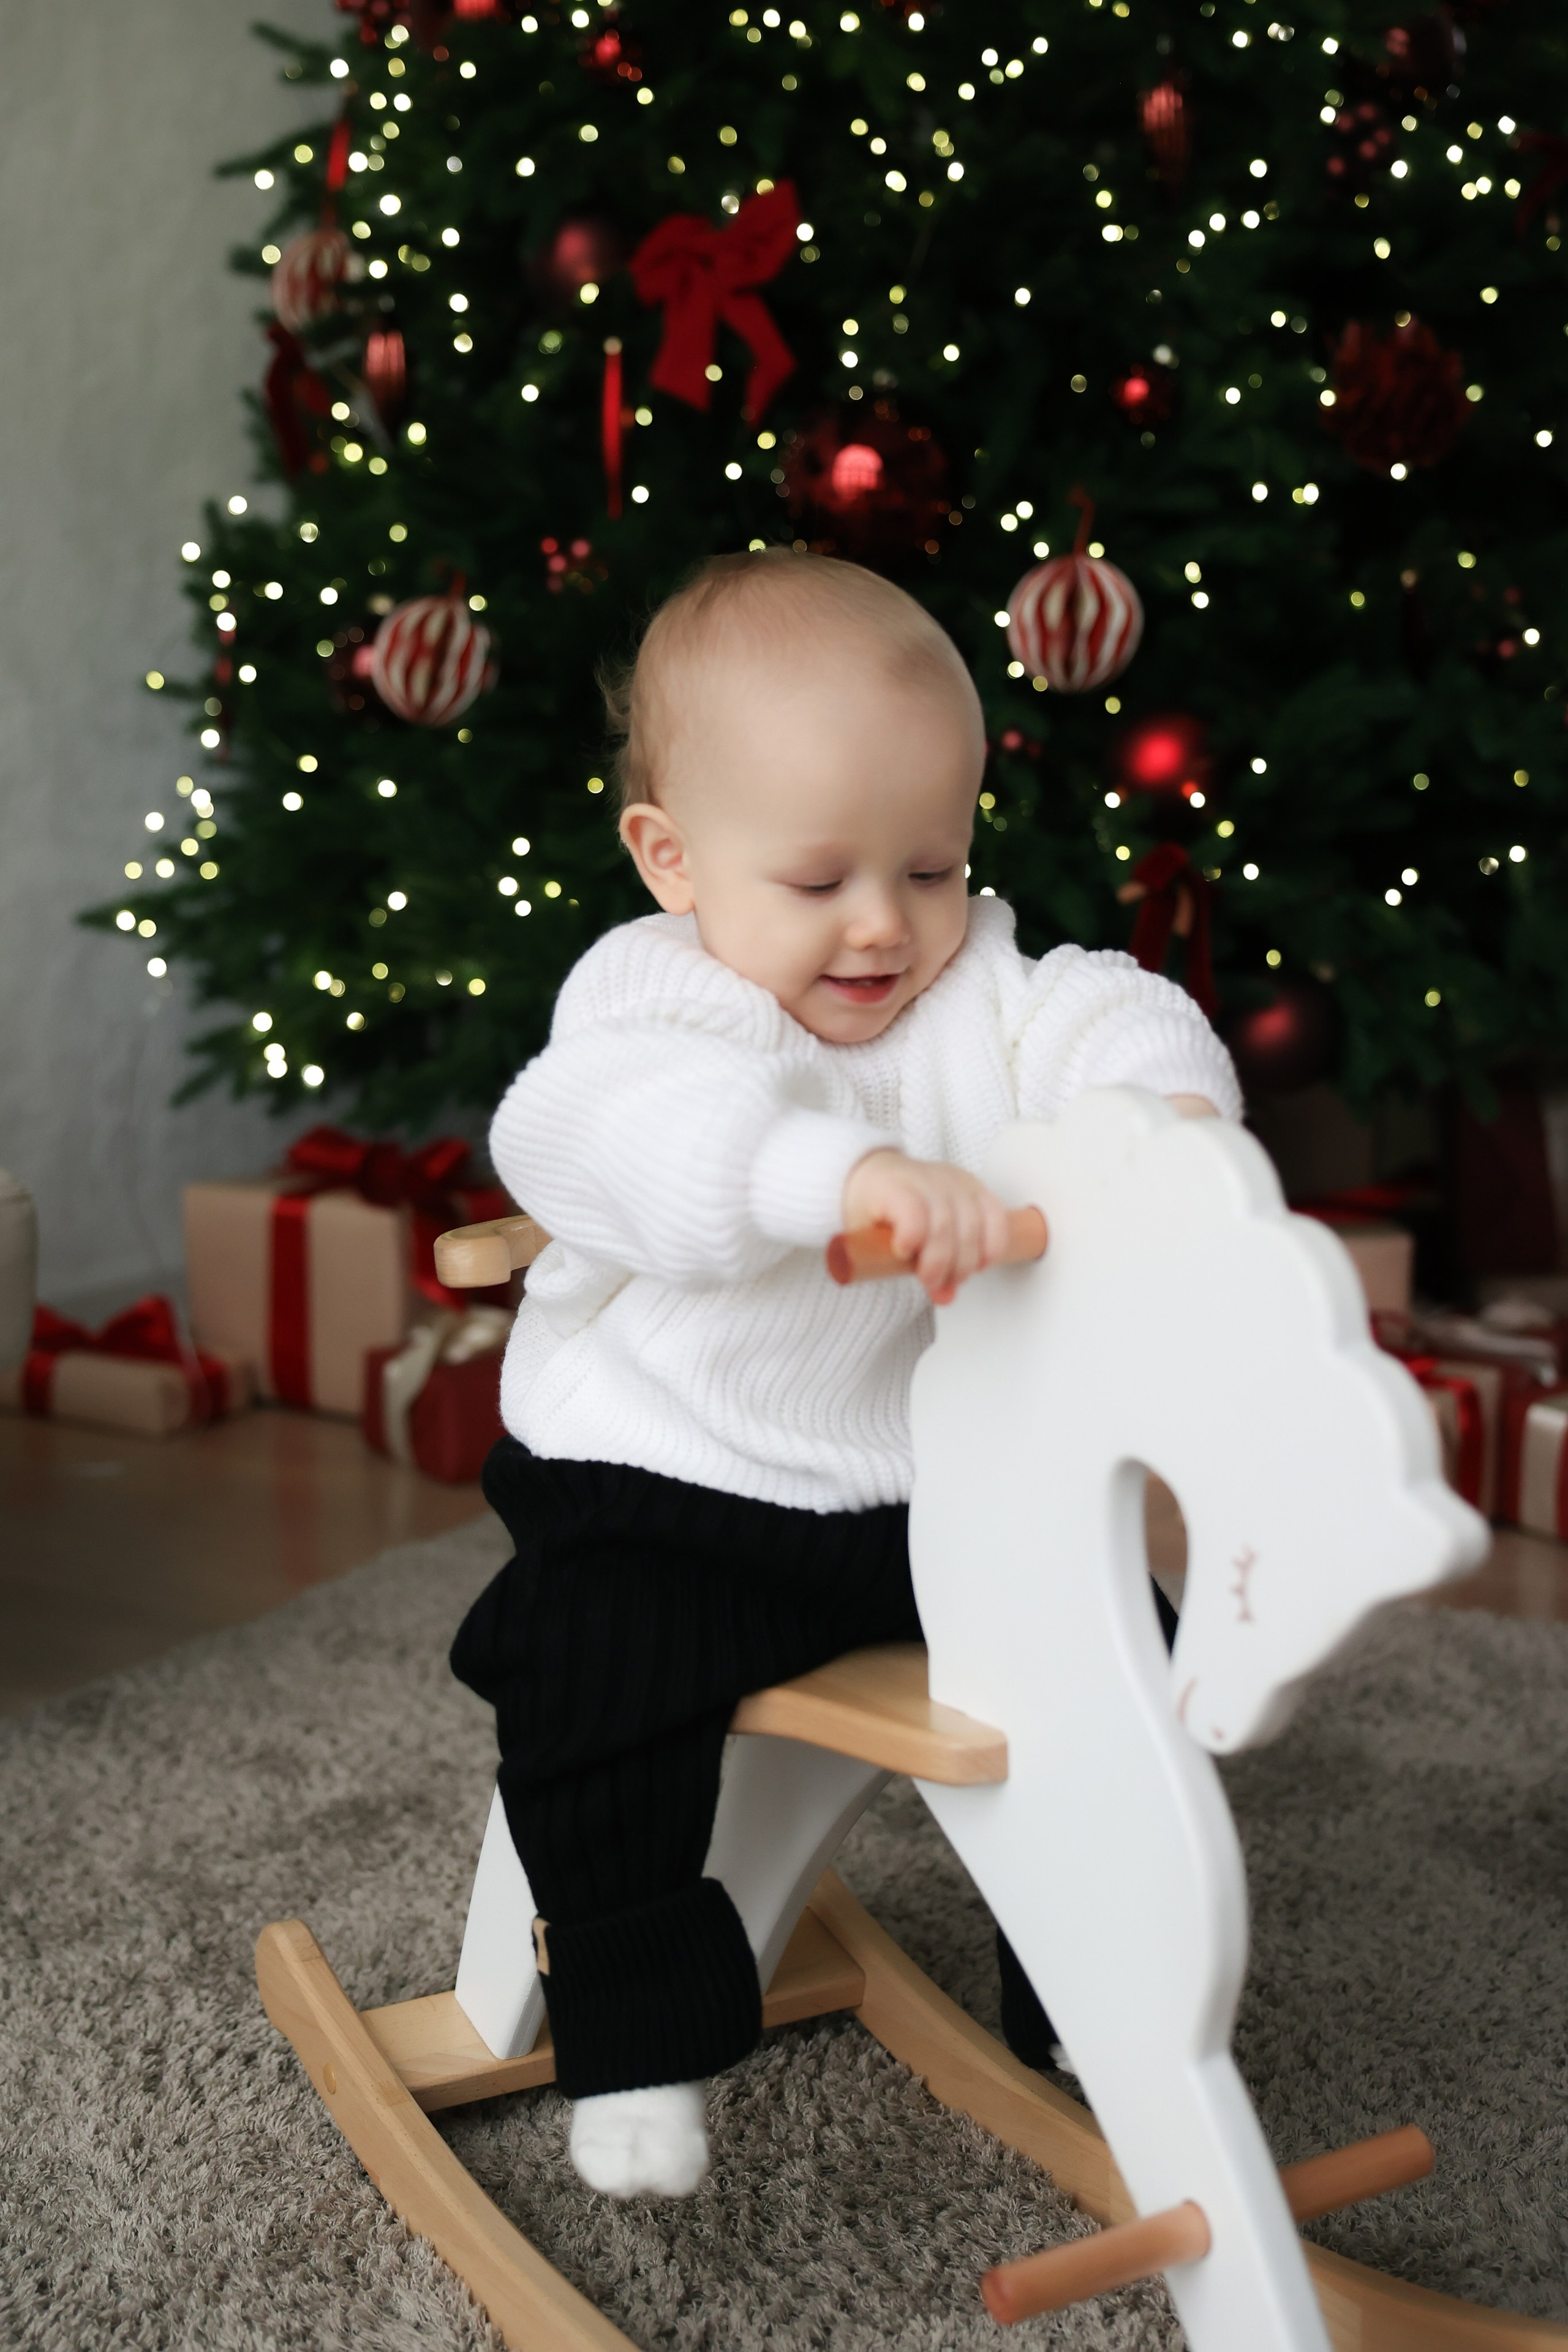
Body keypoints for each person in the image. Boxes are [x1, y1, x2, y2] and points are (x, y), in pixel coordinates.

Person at [450, 549, 1240, 2199]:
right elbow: (601, 1132)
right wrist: (839, 1183)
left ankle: (1101, 1992)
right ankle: (641, 2036)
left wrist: (1160, 1122)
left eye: (934, 864)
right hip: (664, 1475)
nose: (888, 923)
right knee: (593, 1678)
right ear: (673, 859)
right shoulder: (654, 1003)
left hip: (917, 1488)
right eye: (819, 880)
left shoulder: (980, 984)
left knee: (1131, 1652)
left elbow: (1111, 1009)